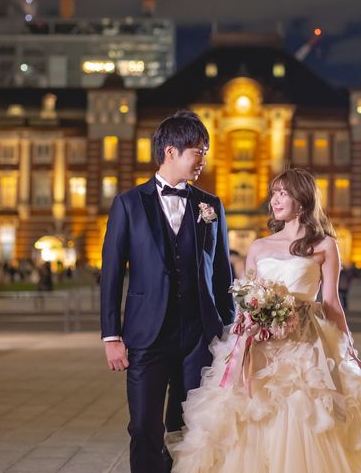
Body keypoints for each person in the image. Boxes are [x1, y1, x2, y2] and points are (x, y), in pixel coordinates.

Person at [169, 168, 361, 472]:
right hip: (261, 345)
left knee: (304, 410)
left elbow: (331, 302)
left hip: (306, 344)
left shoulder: (324, 245)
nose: (275, 200)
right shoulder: (259, 247)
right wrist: (246, 322)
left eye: (283, 193)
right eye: (274, 193)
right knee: (254, 411)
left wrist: (349, 349)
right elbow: (246, 296)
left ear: (302, 200)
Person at [100, 110, 234, 473]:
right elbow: (111, 274)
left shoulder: (211, 206)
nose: (203, 160)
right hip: (147, 334)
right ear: (171, 151)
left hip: (199, 335)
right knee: (144, 426)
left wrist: (230, 331)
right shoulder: (129, 204)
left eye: (205, 152)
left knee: (191, 426)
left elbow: (222, 274)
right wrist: (111, 336)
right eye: (198, 152)